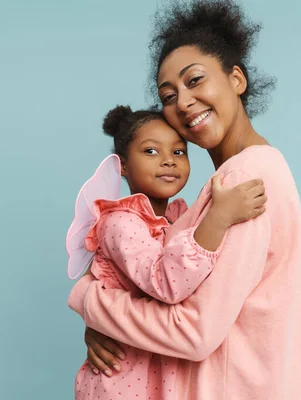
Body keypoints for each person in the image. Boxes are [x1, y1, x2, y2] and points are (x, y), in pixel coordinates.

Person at [69, 1, 301, 398]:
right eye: (168, 96)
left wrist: (91, 303)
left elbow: (194, 332)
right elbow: (158, 282)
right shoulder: (236, 177)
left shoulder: (241, 179)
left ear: (236, 79)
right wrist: (104, 325)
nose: (183, 102)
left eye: (195, 80)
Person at [72, 105, 266, 399]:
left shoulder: (179, 220)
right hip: (122, 381)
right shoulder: (119, 222)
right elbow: (167, 283)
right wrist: (220, 217)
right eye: (151, 151)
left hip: (163, 374)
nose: (168, 161)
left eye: (178, 152)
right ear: (122, 166)